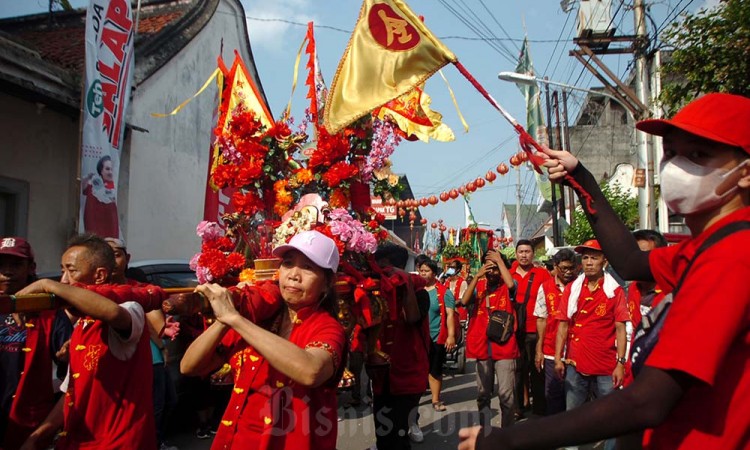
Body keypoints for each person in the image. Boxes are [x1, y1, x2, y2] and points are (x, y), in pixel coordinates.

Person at [458, 92, 750, 449]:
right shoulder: (705, 246)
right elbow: (630, 261)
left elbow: (647, 402)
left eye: (698, 155)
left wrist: (507, 441)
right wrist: (580, 178)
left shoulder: (734, 255)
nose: (676, 167)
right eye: (671, 152)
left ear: (745, 172)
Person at [180, 230, 346, 450]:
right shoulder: (261, 318)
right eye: (288, 264)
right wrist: (224, 318)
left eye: (308, 267)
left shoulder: (326, 327)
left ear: (327, 283)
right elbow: (189, 366)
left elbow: (311, 371)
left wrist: (235, 319)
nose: (294, 275)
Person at [19, 234, 159, 449]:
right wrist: (37, 436)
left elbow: (112, 312)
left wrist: (47, 284)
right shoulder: (82, 322)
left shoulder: (131, 308)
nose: (63, 280)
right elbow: (71, 391)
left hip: (118, 443)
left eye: (71, 271)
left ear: (100, 275)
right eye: (62, 270)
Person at [105, 238, 179, 450]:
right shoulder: (90, 292)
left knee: (161, 403)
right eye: (106, 256)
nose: (112, 262)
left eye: (117, 255)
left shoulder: (140, 289)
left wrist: (164, 334)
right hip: (112, 366)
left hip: (149, 359)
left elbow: (155, 321)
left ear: (127, 259)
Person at [554, 240, 629, 450]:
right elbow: (562, 326)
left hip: (606, 366)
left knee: (611, 417)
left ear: (604, 261)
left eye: (594, 257)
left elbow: (621, 329)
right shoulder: (572, 289)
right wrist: (558, 358)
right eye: (585, 257)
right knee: (572, 415)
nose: (588, 263)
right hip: (575, 363)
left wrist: (620, 363)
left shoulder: (615, 292)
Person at [0, 238, 72, 449]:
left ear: (31, 268)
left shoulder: (50, 313)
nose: (7, 272)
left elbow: (70, 371)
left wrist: (66, 353)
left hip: (28, 425)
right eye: (1, 265)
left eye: (15, 265)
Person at [371, 242, 430, 449]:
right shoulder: (375, 290)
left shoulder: (419, 291)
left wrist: (403, 283)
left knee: (399, 437)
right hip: (381, 374)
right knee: (383, 433)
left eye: (382, 267)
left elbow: (412, 317)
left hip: (407, 374)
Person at [461, 249, 518, 428]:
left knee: (506, 395)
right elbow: (464, 301)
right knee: (483, 394)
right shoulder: (479, 286)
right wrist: (477, 277)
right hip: (482, 348)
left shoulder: (508, 282)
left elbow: (511, 286)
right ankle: (486, 432)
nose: (491, 272)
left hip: (505, 348)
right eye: (489, 268)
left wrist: (499, 262)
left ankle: (507, 434)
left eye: (495, 268)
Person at [533, 248, 578, 415]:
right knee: (552, 394)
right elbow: (541, 319)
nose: (567, 272)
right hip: (551, 350)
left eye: (571, 268)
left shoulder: (580, 286)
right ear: (555, 266)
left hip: (575, 350)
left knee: (574, 395)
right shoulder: (545, 288)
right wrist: (539, 350)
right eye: (563, 268)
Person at [510, 239, 551, 416]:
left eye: (527, 251)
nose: (524, 255)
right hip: (514, 331)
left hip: (536, 329)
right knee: (517, 371)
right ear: (516, 253)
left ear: (533, 254)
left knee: (537, 371)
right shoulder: (509, 273)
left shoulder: (542, 274)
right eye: (521, 251)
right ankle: (518, 408)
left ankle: (539, 409)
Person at [417, 258, 457, 412]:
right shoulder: (416, 290)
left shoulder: (444, 292)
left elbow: (450, 315)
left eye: (426, 271)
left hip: (436, 336)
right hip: (418, 337)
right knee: (419, 369)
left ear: (434, 273)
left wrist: (451, 336)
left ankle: (435, 399)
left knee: (435, 370)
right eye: (421, 271)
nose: (423, 274)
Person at [82, 155, 119, 238]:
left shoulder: (114, 186)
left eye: (111, 169)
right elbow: (82, 189)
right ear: (101, 171)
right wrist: (88, 177)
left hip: (109, 232)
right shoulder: (93, 184)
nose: (110, 172)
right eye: (107, 169)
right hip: (93, 232)